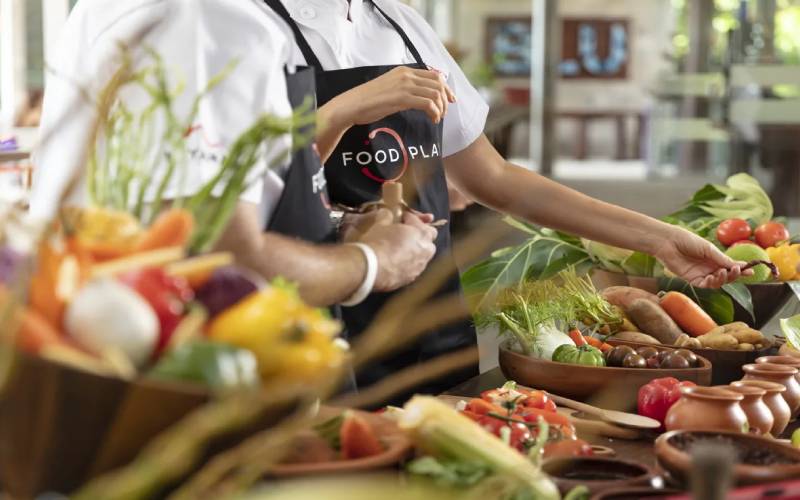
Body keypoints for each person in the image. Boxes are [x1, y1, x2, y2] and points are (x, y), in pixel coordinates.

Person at [263, 0, 747, 393]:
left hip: (429, 318)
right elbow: (247, 195)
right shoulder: (251, 24)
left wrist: (659, 239)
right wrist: (346, 109)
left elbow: (494, 178)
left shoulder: (401, 23)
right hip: (315, 323)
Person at [30, 0, 437, 309]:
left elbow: (164, 204)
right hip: (177, 368)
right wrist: (375, 261)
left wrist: (329, 225)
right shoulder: (207, 19)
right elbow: (212, 254)